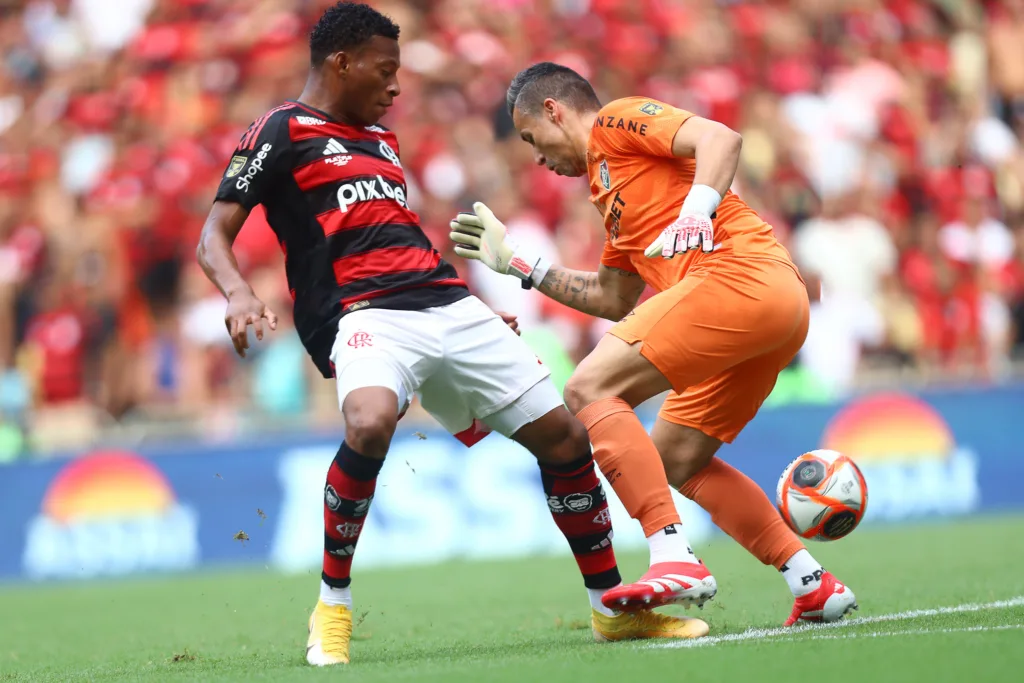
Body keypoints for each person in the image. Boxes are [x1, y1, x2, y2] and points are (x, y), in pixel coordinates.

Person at [196, 5, 708, 667]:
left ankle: (611, 606)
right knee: (371, 420)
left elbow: (394, 234)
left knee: (565, 438)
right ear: (340, 63)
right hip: (363, 313)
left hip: (445, 302)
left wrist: (471, 313)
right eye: (385, 71)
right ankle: (333, 606)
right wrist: (237, 291)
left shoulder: (382, 141)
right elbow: (214, 234)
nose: (395, 87)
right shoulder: (282, 129)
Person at [450, 62, 858, 626]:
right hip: (771, 309)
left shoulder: (616, 122)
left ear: (554, 110)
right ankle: (811, 583)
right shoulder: (607, 193)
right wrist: (523, 264)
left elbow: (720, 137)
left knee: (590, 385)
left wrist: (697, 209)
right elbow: (614, 297)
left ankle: (672, 556)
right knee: (673, 458)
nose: (537, 158)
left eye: (531, 140)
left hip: (740, 276)